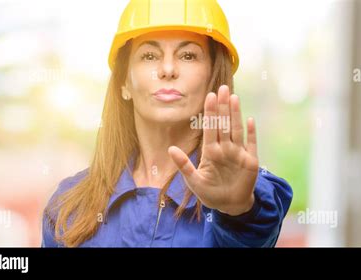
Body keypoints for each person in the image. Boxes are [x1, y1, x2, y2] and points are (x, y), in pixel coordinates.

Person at [42, 0, 293, 247]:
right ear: (124, 83)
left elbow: (255, 227)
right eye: (149, 55)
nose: (168, 69)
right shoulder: (68, 206)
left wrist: (238, 210)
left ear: (212, 78)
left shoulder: (241, 189)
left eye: (188, 55)